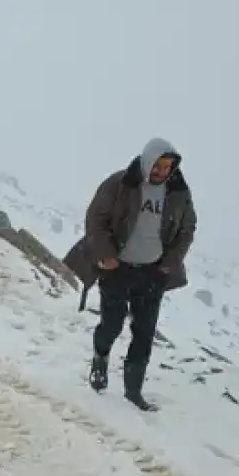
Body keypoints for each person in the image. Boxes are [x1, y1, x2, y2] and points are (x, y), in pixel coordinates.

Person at [61, 137, 197, 411]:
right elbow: (95, 219)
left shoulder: (178, 191)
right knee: (111, 324)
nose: (162, 172)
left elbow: (187, 229)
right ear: (147, 161)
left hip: (153, 273)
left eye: (167, 167)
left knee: (144, 332)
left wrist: (170, 262)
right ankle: (100, 359)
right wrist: (106, 255)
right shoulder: (120, 184)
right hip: (117, 269)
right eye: (158, 166)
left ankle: (133, 391)